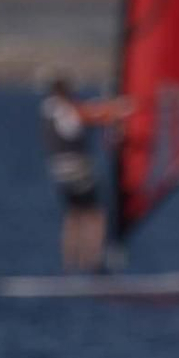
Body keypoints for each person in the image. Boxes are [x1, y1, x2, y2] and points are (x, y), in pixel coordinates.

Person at [39, 75, 135, 272]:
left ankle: (69, 264)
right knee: (95, 215)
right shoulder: (66, 111)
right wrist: (120, 109)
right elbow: (90, 115)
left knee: (74, 214)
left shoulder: (48, 110)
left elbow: (86, 112)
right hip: (78, 171)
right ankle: (93, 262)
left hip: (59, 172)